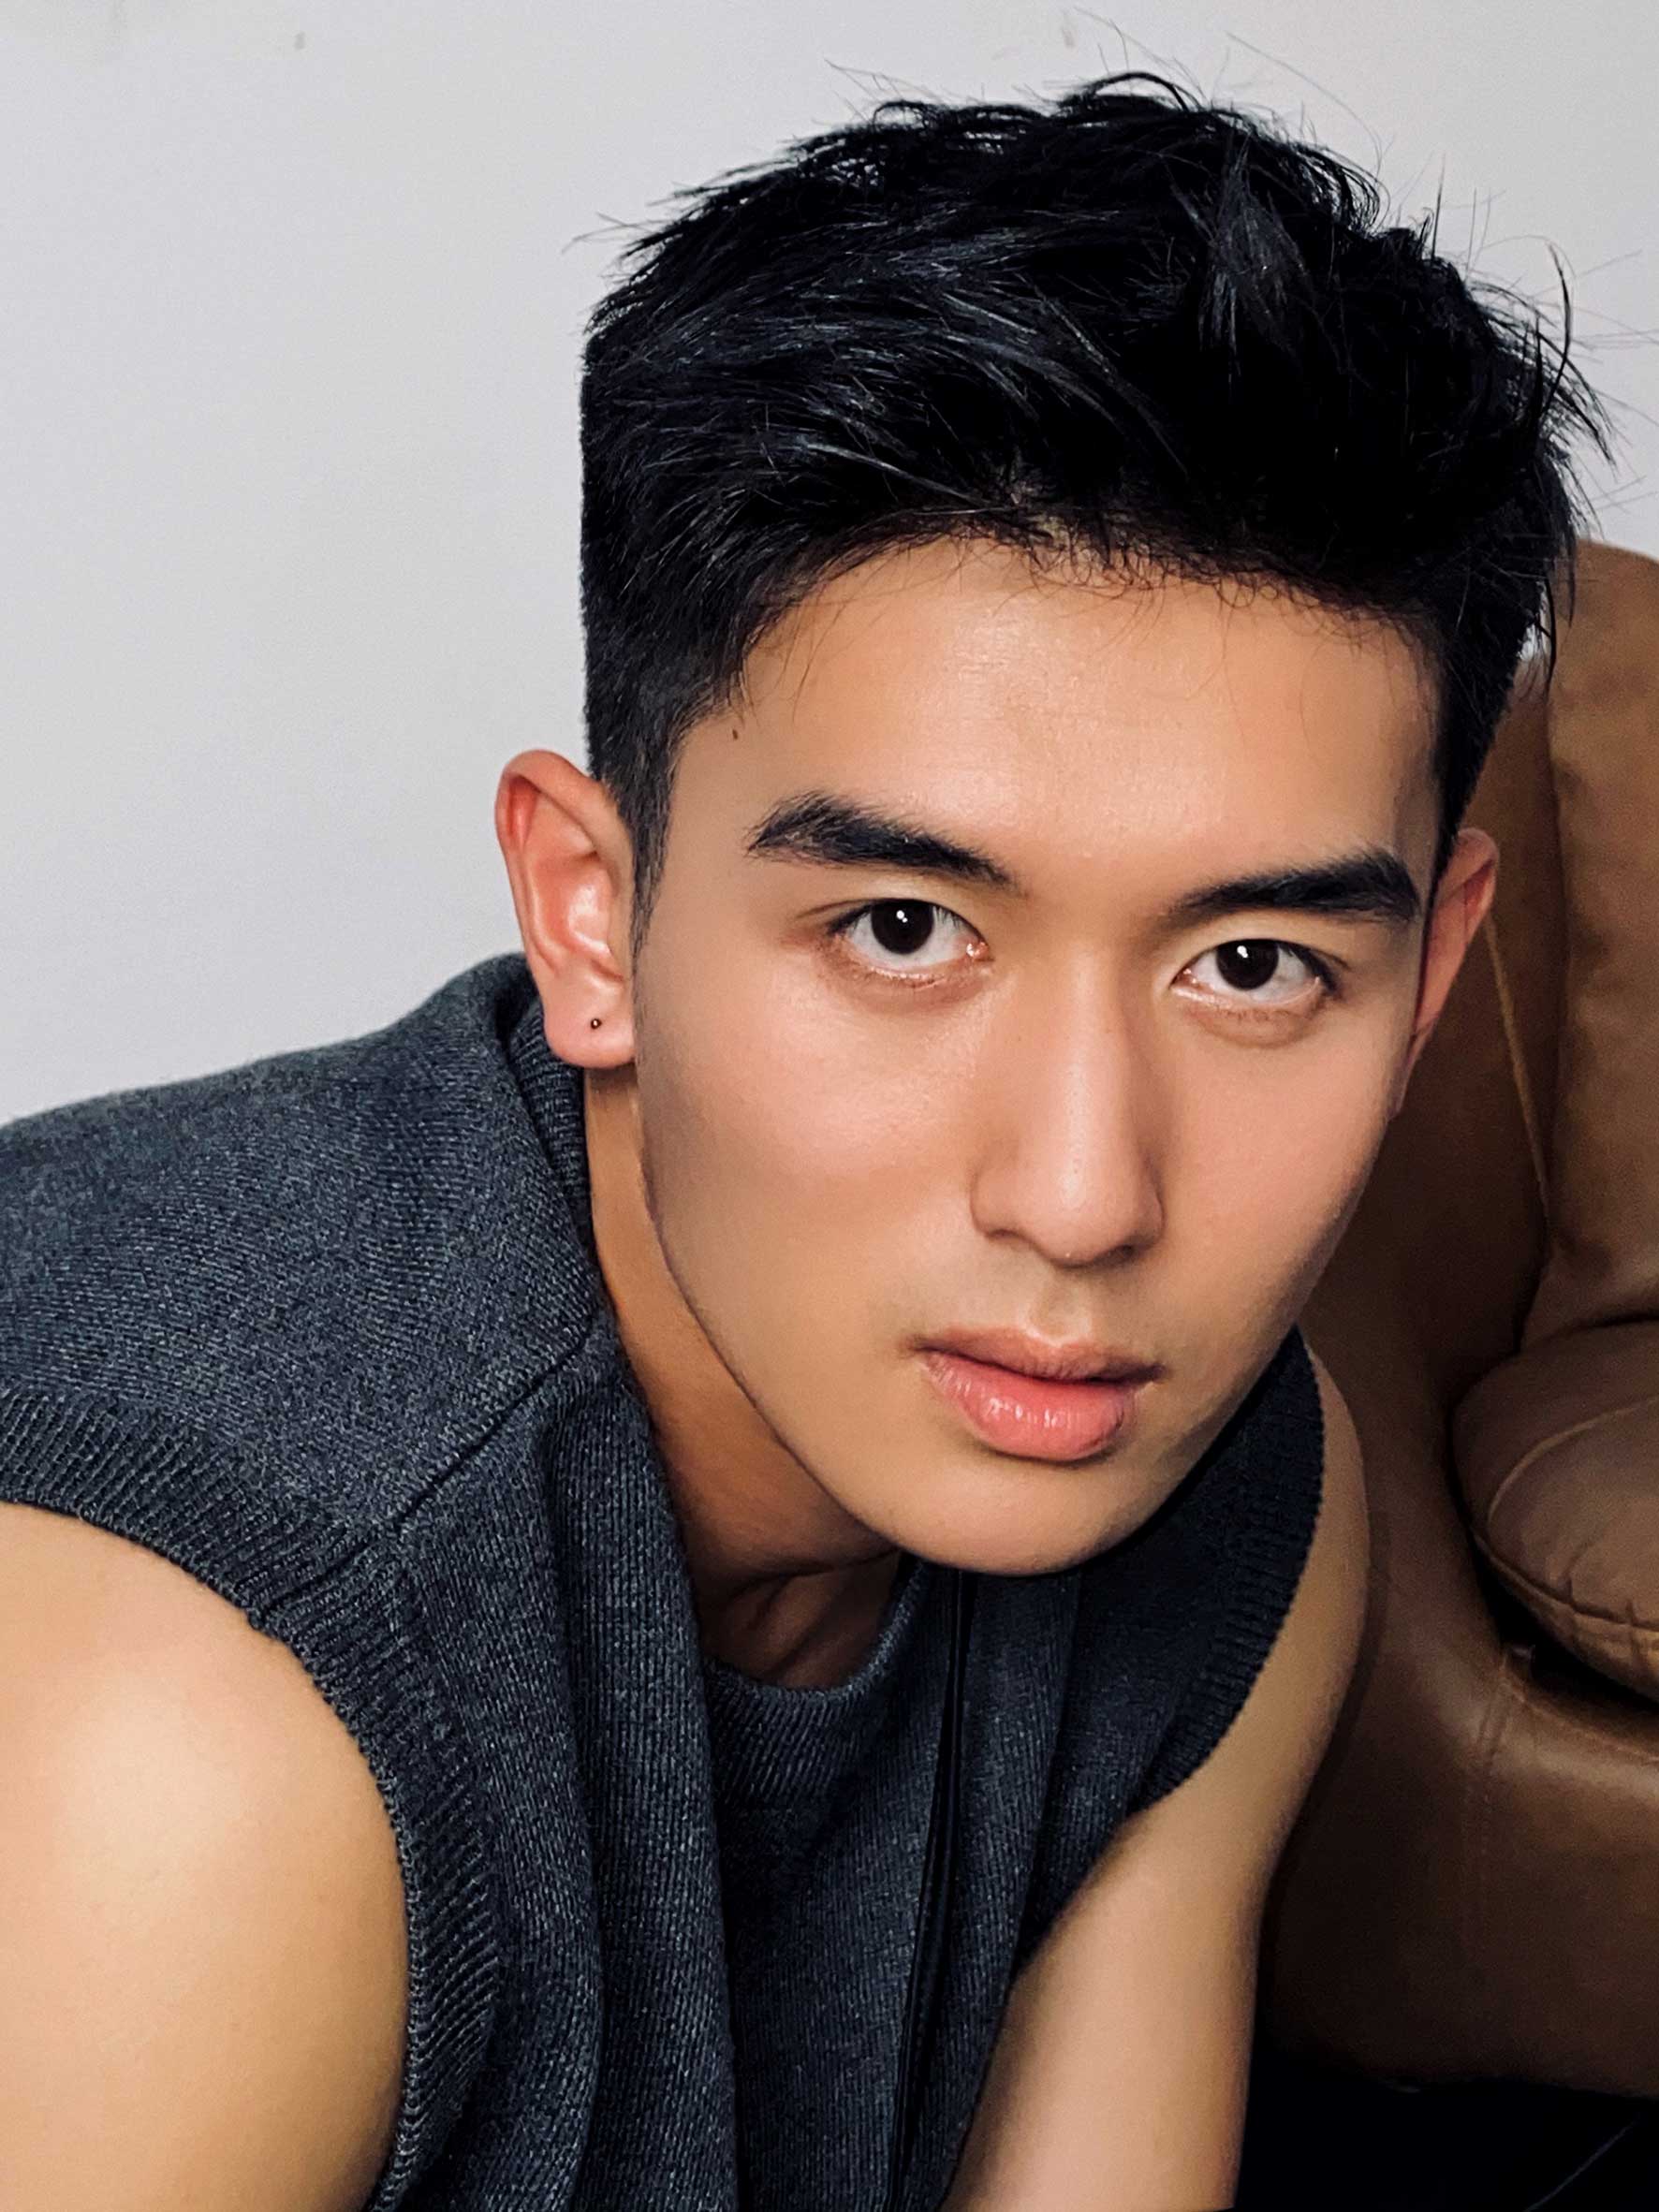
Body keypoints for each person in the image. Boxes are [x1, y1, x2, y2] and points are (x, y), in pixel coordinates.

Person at [0, 69, 1608, 2212]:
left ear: (1428, 980)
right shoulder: (196, 1721)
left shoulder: (1238, 1495)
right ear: (593, 919)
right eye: (902, 929)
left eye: (1251, 966)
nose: (1081, 1198)